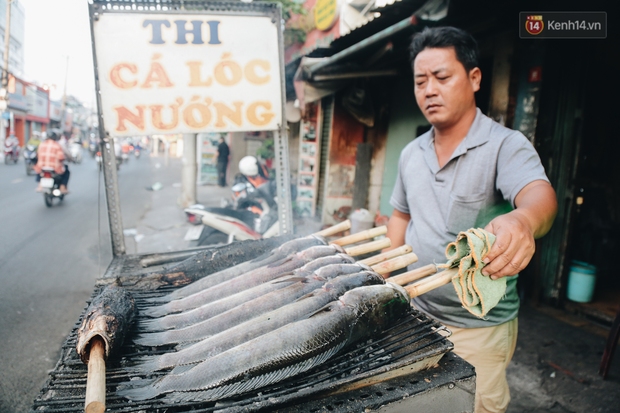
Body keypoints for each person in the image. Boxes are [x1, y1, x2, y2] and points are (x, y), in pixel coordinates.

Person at [385, 26, 557, 413]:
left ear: (474, 78)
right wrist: (388, 285)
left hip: (479, 328)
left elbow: (539, 196)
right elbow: (400, 216)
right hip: (416, 316)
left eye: (442, 77)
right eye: (420, 81)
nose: (429, 90)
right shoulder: (411, 153)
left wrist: (523, 221)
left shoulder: (505, 145)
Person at [34, 130, 72, 194]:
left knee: (38, 169)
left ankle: (40, 186)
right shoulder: (57, 145)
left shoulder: (41, 144)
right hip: (55, 168)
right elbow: (61, 157)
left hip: (42, 167)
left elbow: (37, 155)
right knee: (66, 172)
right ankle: (62, 187)